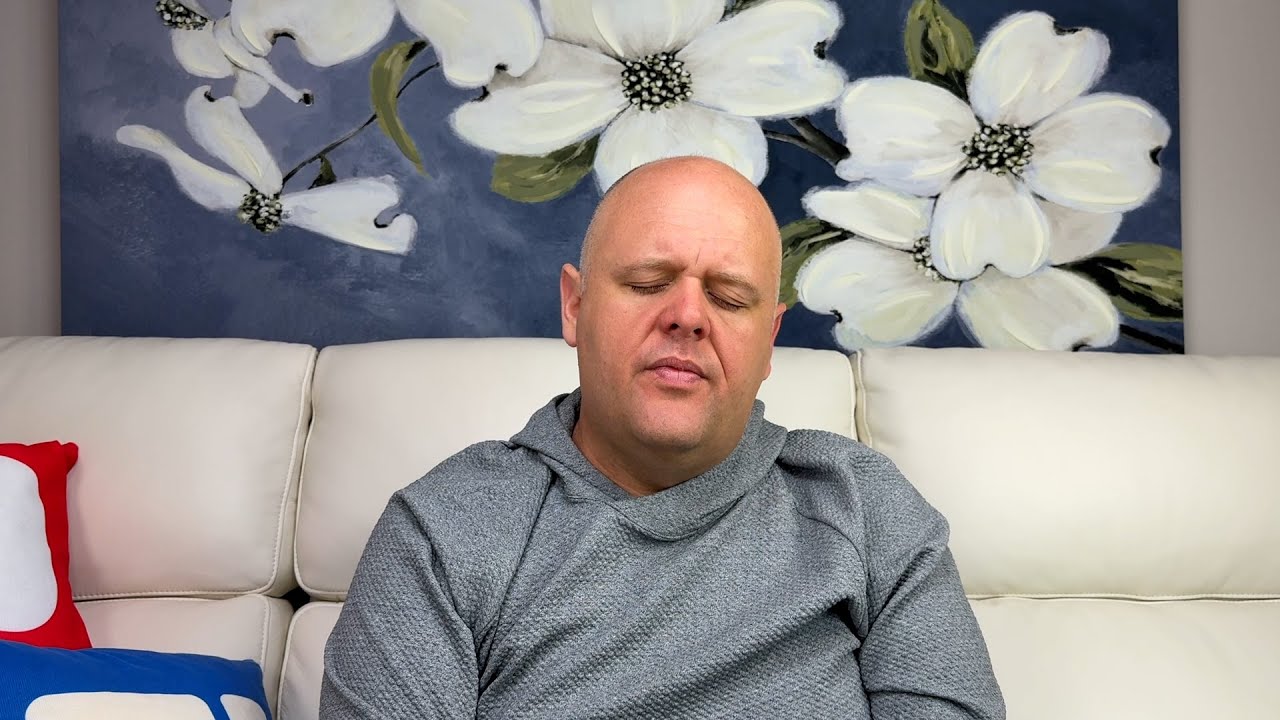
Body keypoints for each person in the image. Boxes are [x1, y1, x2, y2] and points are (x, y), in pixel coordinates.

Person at [319, 156, 1005, 719]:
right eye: (649, 283)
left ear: (768, 341)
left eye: (730, 298)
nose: (688, 316)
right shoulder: (445, 529)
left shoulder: (864, 506)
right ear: (575, 307)